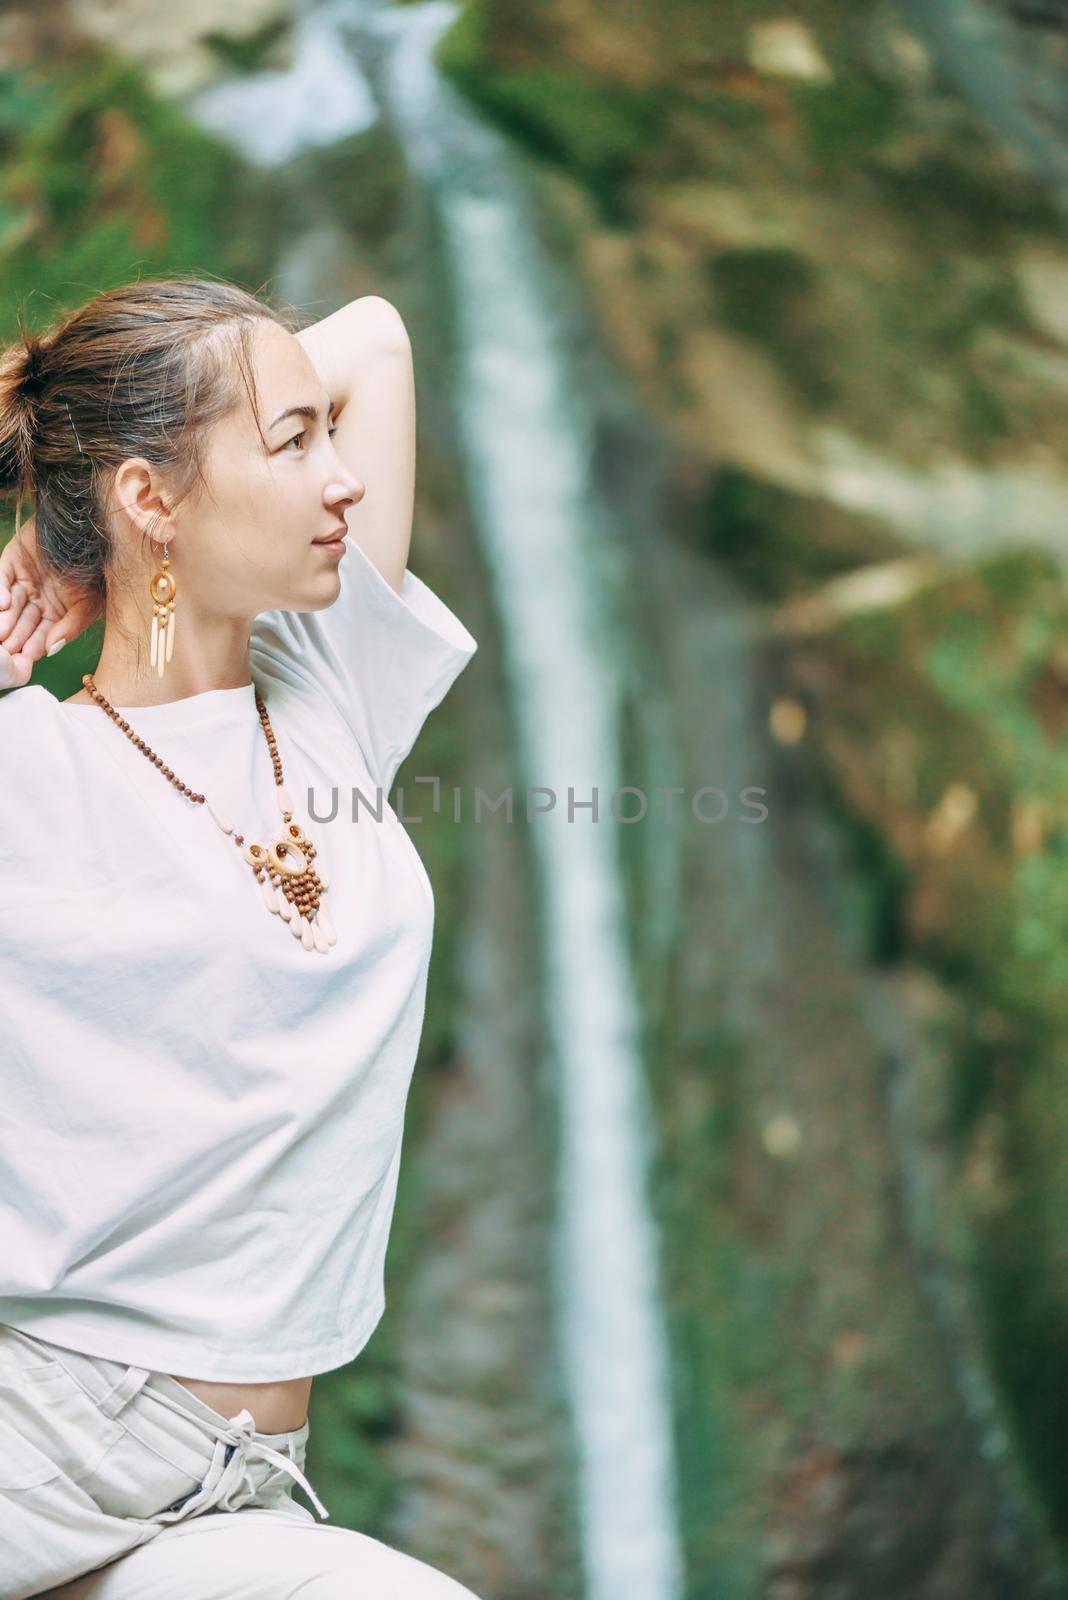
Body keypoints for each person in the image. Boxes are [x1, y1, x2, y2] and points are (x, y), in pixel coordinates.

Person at [0, 277, 482, 1598]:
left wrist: (88, 502)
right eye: (290, 442)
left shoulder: (331, 698)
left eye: (327, 438)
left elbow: (379, 335)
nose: (342, 480)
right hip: (42, 1451)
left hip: (232, 1492)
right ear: (155, 499)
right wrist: (85, 513)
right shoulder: (24, 769)